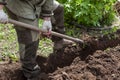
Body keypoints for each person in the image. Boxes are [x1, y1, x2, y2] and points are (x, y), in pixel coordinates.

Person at [0, 0, 73, 80]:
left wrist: (47, 18)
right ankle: (30, 69)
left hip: (39, 1)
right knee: (31, 37)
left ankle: (59, 42)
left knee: (58, 9)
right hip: (20, 3)